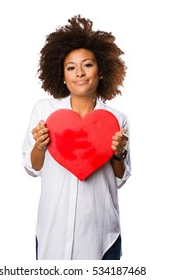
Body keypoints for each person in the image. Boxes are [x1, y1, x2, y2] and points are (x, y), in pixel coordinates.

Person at [22, 15, 131, 260]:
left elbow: (120, 178)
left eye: (88, 65)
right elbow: (32, 167)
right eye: (71, 67)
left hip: (101, 233)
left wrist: (118, 153)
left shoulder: (116, 119)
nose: (79, 73)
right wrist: (40, 145)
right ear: (62, 75)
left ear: (101, 70)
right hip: (53, 230)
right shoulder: (44, 111)